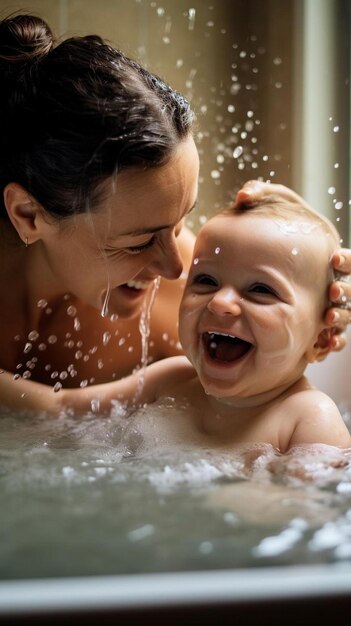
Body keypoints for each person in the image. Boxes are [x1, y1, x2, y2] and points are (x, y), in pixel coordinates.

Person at [0, 13, 350, 398]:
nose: (175, 267)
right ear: (28, 215)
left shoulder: (194, 302)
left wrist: (316, 265)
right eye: (138, 242)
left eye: (181, 221)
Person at [3, 190, 351, 453]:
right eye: (205, 281)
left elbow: (316, 515)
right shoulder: (169, 379)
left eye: (261, 290)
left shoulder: (308, 420)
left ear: (320, 341)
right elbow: (60, 409)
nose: (221, 302)